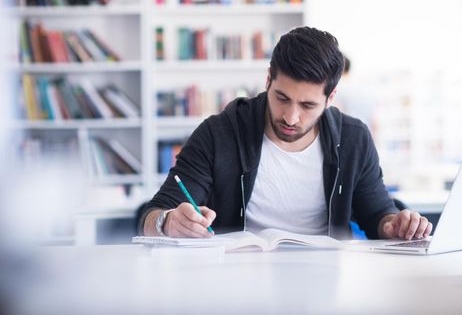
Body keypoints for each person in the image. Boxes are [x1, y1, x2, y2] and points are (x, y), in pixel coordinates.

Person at [139, 27, 432, 240]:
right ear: (268, 80)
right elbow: (151, 215)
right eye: (281, 98)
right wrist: (167, 222)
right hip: (235, 282)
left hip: (328, 282)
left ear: (330, 99)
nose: (291, 117)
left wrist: (394, 225)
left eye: (307, 105)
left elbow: (379, 214)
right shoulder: (219, 133)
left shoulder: (354, 138)